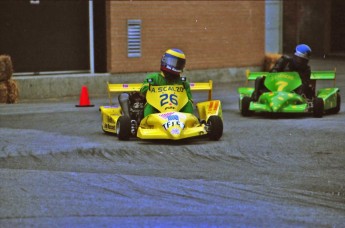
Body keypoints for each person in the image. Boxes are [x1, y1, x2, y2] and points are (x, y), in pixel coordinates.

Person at [140, 48, 194, 117]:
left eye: (179, 64)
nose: (176, 65)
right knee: (149, 104)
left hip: (178, 112)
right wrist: (149, 87)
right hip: (157, 112)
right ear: (165, 60)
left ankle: (189, 123)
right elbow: (143, 90)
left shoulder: (183, 82)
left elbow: (189, 99)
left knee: (188, 103)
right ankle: (148, 123)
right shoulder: (154, 78)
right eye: (173, 62)